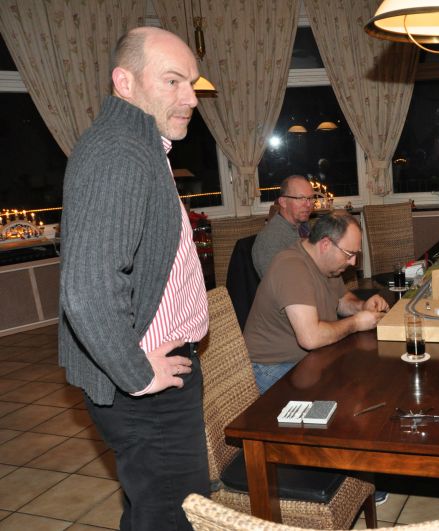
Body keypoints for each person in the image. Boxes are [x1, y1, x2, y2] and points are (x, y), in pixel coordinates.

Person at [59, 27, 209, 531]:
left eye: (191, 83)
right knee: (173, 515)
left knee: (155, 507)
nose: (191, 98)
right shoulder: (120, 152)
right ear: (125, 82)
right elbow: (87, 289)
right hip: (147, 384)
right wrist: (136, 374)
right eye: (172, 81)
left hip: (156, 371)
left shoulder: (141, 145)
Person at [244, 211, 389, 394]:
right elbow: (310, 338)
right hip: (271, 366)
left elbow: (342, 300)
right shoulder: (291, 267)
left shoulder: (328, 265)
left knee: (366, 379)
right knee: (337, 398)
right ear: (326, 244)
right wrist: (356, 322)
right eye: (349, 254)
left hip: (310, 359)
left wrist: (362, 307)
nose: (353, 262)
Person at [251, 175, 313, 278]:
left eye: (310, 198)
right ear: (283, 202)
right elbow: (279, 283)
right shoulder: (269, 240)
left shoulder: (303, 227)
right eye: (301, 198)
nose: (308, 204)